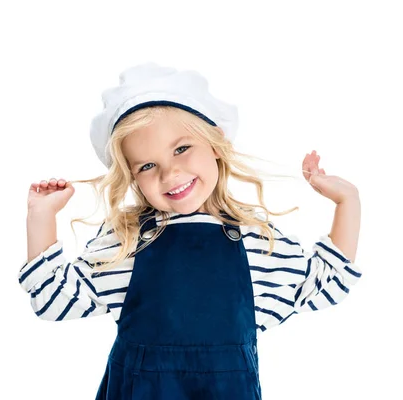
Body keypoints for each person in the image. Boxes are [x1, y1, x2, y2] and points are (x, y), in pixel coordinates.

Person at [18, 62, 363, 399]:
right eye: (148, 165)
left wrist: (348, 201)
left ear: (215, 144)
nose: (170, 174)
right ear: (133, 177)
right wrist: (41, 216)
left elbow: (325, 282)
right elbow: (53, 300)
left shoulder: (256, 241)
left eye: (182, 148)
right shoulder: (127, 243)